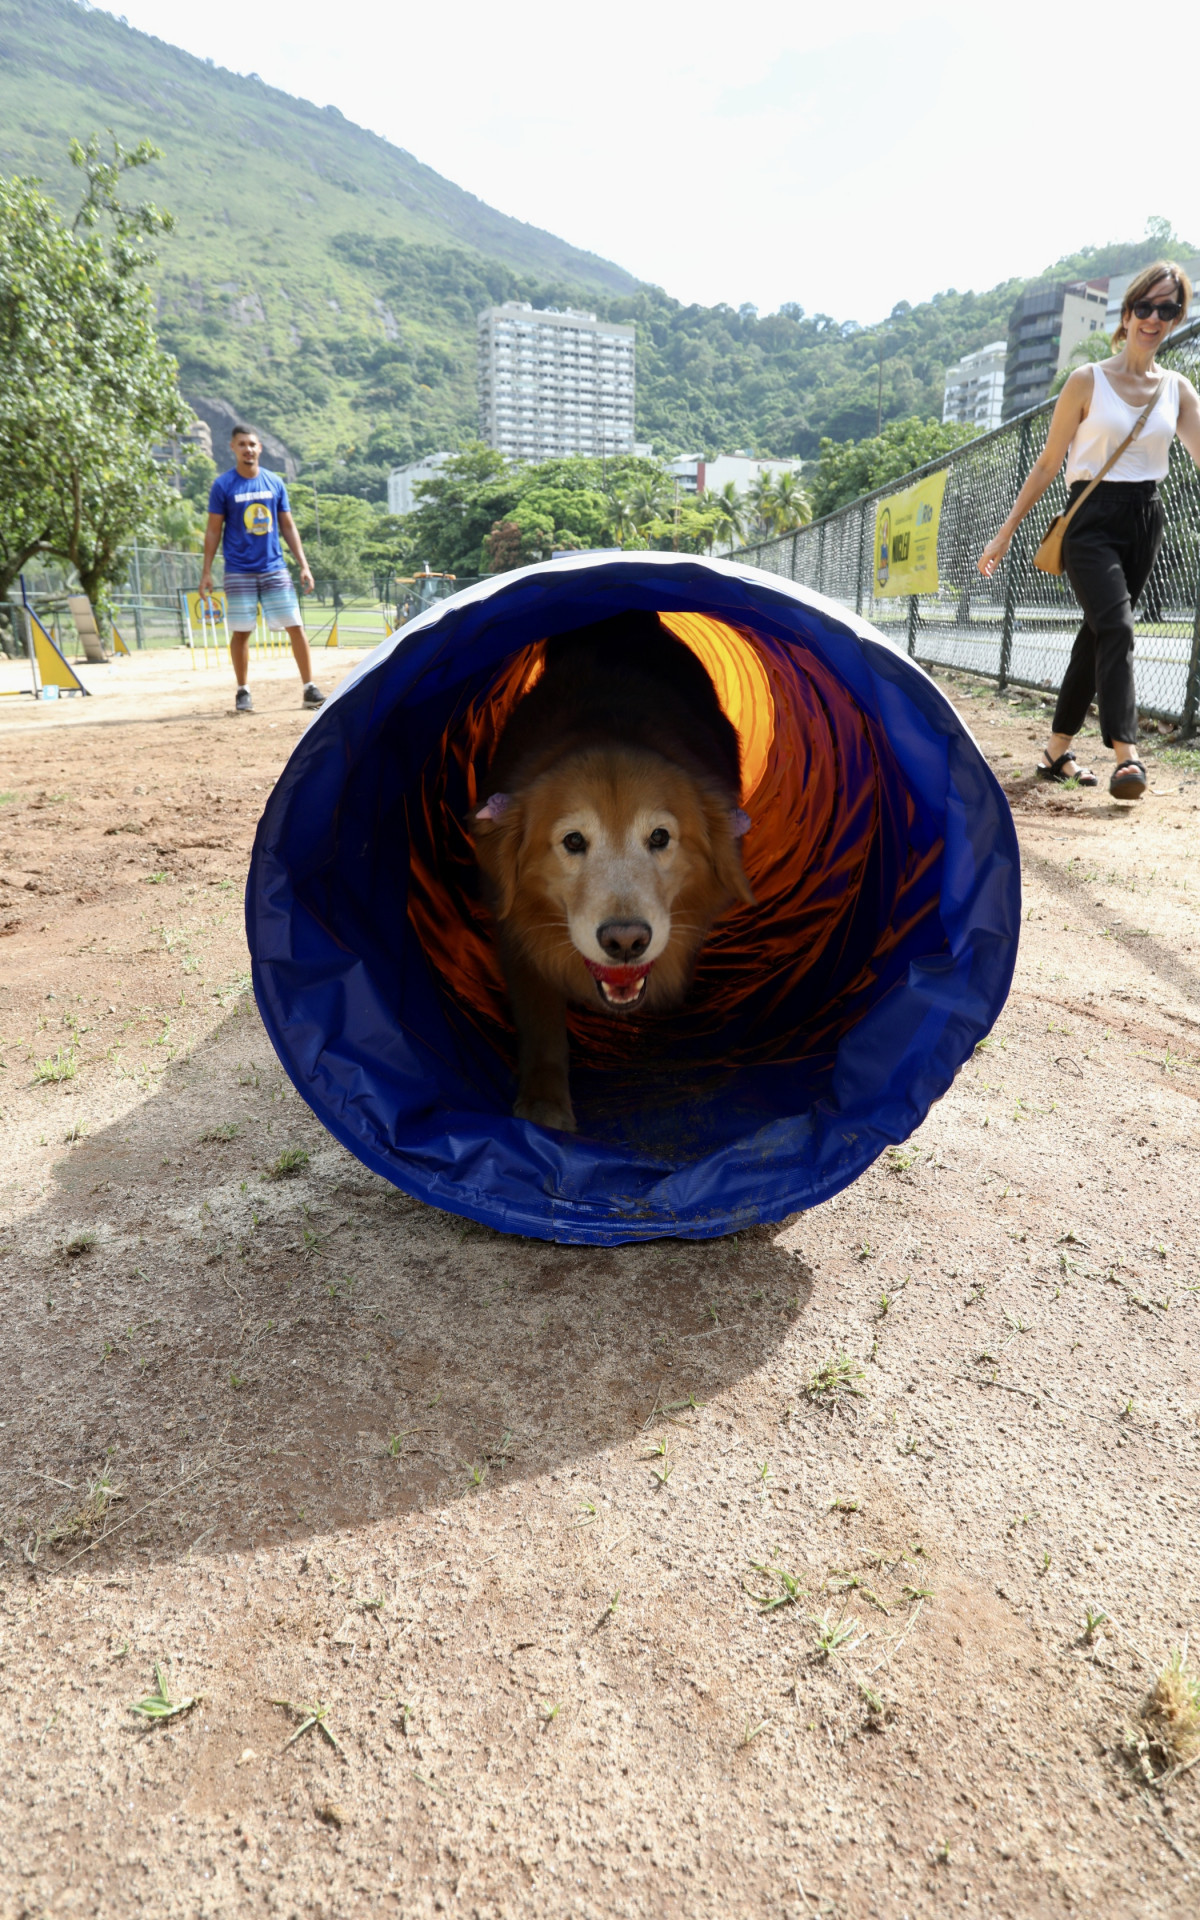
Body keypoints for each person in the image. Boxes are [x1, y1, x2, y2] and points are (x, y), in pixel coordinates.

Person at [978, 261, 1200, 799]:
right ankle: (1127, 755)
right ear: (1126, 314)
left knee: (1098, 632)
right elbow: (1047, 464)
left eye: (1167, 309)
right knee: (1117, 627)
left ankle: (1056, 752)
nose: (1153, 318)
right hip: (1088, 518)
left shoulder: (1178, 389)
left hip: (1145, 518)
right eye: (1144, 306)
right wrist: (1005, 533)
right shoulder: (1087, 381)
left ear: (1176, 318)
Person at [199, 425, 325, 714]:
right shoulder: (223, 485)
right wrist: (206, 572)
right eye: (242, 444)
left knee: (295, 626)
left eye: (252, 444)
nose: (248, 449)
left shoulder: (274, 482)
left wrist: (304, 565)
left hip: (274, 567)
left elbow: (288, 525)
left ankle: (309, 688)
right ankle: (243, 690)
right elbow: (213, 530)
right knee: (241, 632)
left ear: (260, 448)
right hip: (238, 570)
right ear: (233, 448)